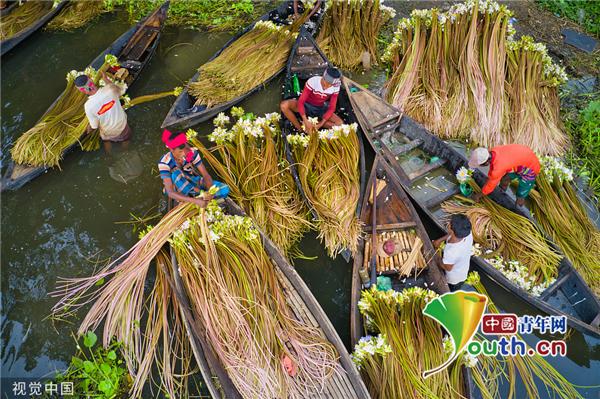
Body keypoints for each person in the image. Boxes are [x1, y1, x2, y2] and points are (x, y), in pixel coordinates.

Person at [158, 129, 229, 207]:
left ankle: (197, 196)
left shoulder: (192, 152)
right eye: (180, 152)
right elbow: (170, 192)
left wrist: (210, 192)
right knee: (175, 174)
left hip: (193, 181)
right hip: (177, 187)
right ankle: (191, 198)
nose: (184, 154)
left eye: (185, 150)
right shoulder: (164, 162)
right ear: (171, 150)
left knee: (225, 189)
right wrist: (195, 201)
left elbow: (205, 175)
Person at [76, 71, 131, 154]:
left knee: (106, 141)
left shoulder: (88, 106)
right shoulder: (110, 89)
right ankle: (124, 151)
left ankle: (108, 155)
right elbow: (120, 92)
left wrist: (88, 129)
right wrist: (105, 79)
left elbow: (94, 126)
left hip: (107, 132)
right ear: (91, 80)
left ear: (82, 90)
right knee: (126, 139)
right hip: (121, 127)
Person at [468, 144, 541, 207]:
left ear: (486, 162)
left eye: (480, 165)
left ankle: (518, 207)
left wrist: (478, 196)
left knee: (521, 193)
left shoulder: (499, 167)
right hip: (519, 160)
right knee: (505, 179)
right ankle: (501, 193)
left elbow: (490, 185)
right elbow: (493, 171)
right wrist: (491, 177)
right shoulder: (493, 151)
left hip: (530, 168)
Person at [280, 66, 344, 133]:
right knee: (284, 105)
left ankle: (314, 125)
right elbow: (301, 102)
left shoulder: (336, 87)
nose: (327, 86)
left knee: (340, 123)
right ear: (323, 77)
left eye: (330, 85)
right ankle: (300, 128)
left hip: (320, 108)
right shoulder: (313, 81)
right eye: (326, 83)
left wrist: (320, 124)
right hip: (306, 105)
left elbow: (332, 108)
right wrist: (305, 120)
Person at [432, 214, 473, 292]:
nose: (449, 223)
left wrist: (437, 258)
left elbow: (447, 268)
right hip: (462, 268)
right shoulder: (467, 233)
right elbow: (452, 234)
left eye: (450, 223)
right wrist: (440, 240)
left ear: (452, 230)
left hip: (454, 279)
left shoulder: (452, 252)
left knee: (452, 290)